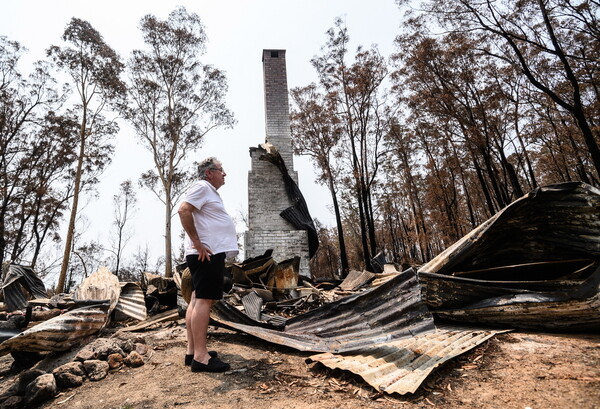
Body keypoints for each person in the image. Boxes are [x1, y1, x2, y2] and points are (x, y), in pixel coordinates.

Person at [178, 157, 238, 372]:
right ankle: (201, 358)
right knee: (204, 300)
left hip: (207, 252)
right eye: (221, 170)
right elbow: (184, 210)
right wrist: (198, 243)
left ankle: (192, 352)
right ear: (209, 172)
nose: (225, 174)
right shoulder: (202, 186)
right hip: (206, 253)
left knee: (196, 298)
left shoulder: (208, 191)